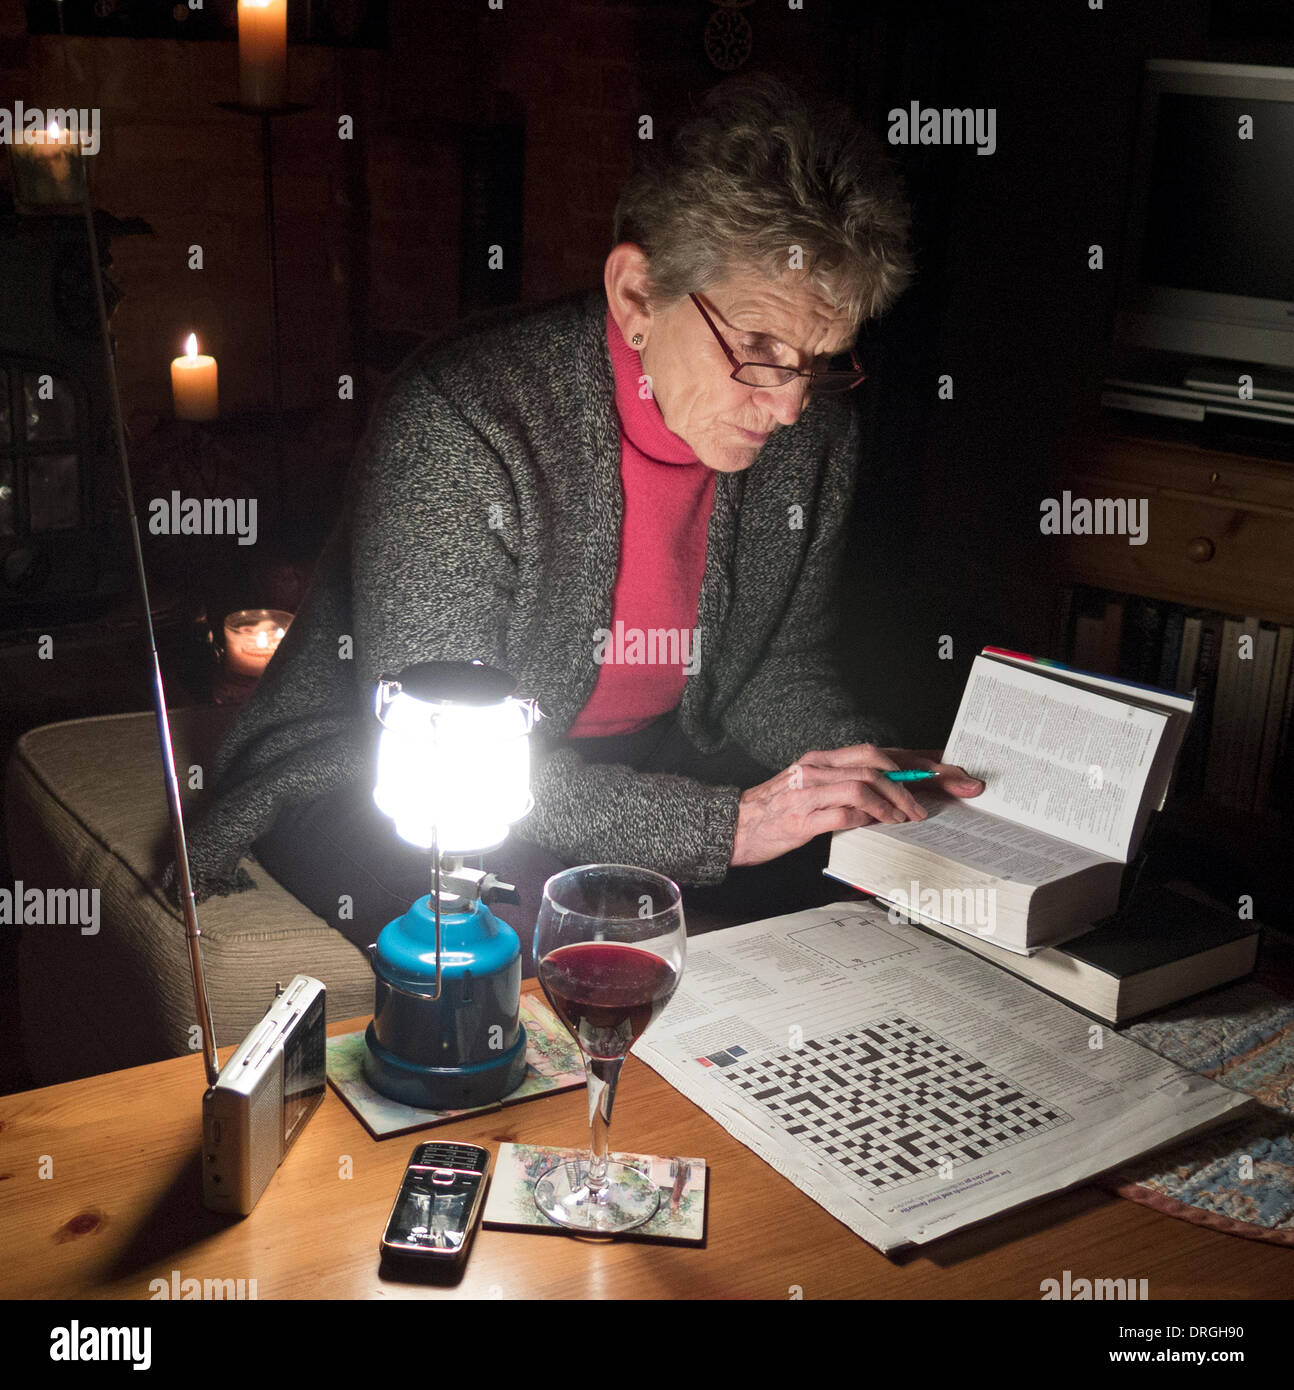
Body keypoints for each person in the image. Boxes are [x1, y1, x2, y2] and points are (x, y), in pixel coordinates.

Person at [181, 73, 984, 971]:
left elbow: (775, 668)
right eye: (758, 353)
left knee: (871, 902)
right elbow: (434, 744)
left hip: (646, 756)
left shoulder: (814, 436)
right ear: (637, 294)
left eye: (821, 363)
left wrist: (854, 774)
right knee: (540, 940)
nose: (792, 406)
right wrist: (732, 825)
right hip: (397, 773)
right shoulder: (464, 418)